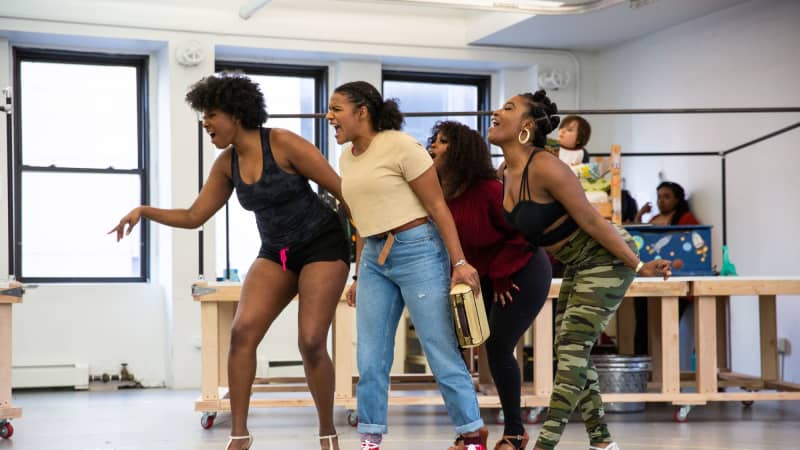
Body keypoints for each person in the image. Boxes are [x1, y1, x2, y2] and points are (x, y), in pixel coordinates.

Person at [109, 73, 349, 450]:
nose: (206, 122)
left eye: (212, 114)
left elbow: (343, 191)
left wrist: (364, 255)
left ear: (237, 113)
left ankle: (327, 432)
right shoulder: (226, 164)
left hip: (323, 244)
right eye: (204, 115)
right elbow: (193, 216)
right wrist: (144, 211)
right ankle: (239, 434)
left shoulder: (282, 143)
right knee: (242, 333)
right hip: (276, 252)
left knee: (311, 340)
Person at [489, 90, 671, 450]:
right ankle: (602, 443)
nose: (496, 111)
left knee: (571, 353)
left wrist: (638, 265)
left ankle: (546, 444)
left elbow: (591, 220)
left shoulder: (545, 166)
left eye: (508, 108)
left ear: (526, 126)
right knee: (571, 351)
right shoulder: (505, 172)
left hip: (606, 260)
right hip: (577, 264)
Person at [327, 81, 488, 450]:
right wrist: (357, 273)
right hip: (373, 258)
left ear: (362, 111)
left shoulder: (401, 146)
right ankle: (370, 436)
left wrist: (459, 262)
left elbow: (437, 208)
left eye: (337, 108)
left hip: (418, 250)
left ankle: (471, 433)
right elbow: (362, 219)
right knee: (369, 355)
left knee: (439, 348)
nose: (329, 116)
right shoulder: (347, 158)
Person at [428, 121, 552, 450]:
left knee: (497, 346)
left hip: (521, 269)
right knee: (451, 344)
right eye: (434, 141)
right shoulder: (438, 192)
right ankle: (471, 428)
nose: (433, 147)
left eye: (441, 142)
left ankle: (515, 431)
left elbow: (524, 235)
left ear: (460, 152)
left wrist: (500, 275)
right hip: (481, 275)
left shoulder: (489, 191)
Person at [634, 181, 699, 225]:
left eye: (666, 197)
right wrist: (640, 213)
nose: (661, 201)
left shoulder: (686, 218)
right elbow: (639, 236)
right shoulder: (654, 218)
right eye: (659, 197)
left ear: (677, 200)